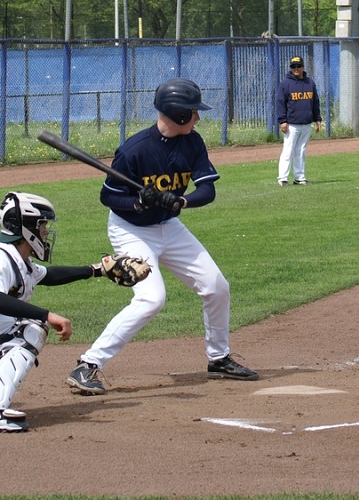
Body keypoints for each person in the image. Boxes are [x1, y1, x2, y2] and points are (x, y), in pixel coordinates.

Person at [66, 77, 258, 395]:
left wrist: (181, 201)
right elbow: (109, 197)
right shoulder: (134, 150)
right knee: (151, 298)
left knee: (216, 286)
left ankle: (219, 358)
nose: (198, 117)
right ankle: (88, 364)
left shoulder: (193, 143)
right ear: (179, 113)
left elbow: (207, 190)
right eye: (193, 112)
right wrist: (138, 202)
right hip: (131, 230)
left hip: (169, 226)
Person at [0, 191, 138, 432]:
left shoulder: (17, 259)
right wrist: (46, 315)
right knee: (28, 328)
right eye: (42, 226)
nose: (45, 232)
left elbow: (49, 275)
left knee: (7, 335)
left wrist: (96, 270)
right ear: (27, 227)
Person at [275, 55, 322, 186]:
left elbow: (315, 102)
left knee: (301, 150)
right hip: (292, 124)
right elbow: (280, 103)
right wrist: (282, 121)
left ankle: (299, 177)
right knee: (288, 150)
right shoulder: (285, 84)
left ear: (303, 67)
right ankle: (283, 178)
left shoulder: (310, 83)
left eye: (298, 66)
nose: (296, 68)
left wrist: (317, 119)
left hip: (306, 123)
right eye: (293, 66)